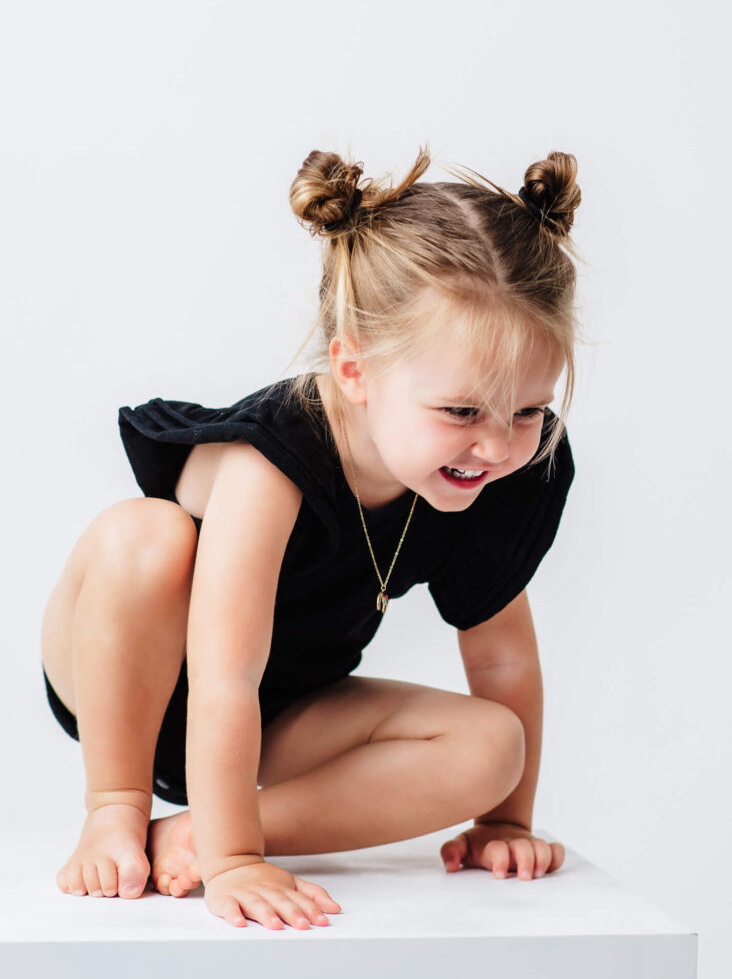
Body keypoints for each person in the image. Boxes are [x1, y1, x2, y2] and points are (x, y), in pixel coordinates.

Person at [40, 144, 582, 931]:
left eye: (527, 411)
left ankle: (196, 828)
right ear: (354, 371)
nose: (497, 446)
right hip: (136, 676)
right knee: (144, 536)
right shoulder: (275, 458)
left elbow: (501, 655)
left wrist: (505, 820)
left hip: (279, 714)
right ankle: (116, 807)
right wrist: (234, 869)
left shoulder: (497, 475)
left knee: (493, 746)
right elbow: (225, 675)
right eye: (462, 412)